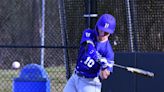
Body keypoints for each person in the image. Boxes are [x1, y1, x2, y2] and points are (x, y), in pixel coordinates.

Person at [63, 14, 116, 92]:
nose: (102, 33)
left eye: (105, 32)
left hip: (89, 83)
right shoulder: (88, 33)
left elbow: (104, 76)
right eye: (100, 29)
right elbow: (89, 47)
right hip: (75, 77)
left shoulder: (109, 52)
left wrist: (104, 66)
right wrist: (97, 57)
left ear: (110, 33)